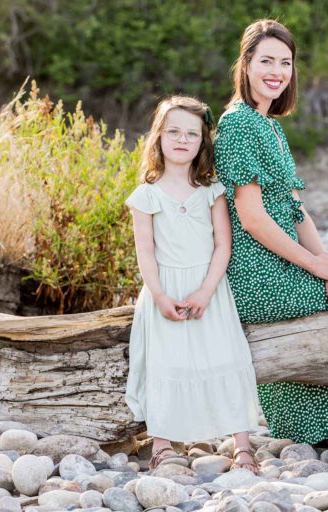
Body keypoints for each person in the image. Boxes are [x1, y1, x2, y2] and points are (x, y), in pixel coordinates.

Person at [213, 19, 328, 444]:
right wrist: (318, 267)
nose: (276, 71)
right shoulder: (237, 124)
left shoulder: (271, 126)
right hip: (257, 274)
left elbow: (296, 212)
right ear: (246, 64)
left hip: (286, 263)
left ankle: (304, 423)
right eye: (266, 61)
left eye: (286, 62)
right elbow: (253, 218)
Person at [125, 96, 259, 472]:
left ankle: (242, 443)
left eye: (192, 134)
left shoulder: (211, 191)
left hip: (209, 289)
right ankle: (163, 443)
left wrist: (205, 290)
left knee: (225, 357)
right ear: (159, 137)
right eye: (174, 132)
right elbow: (146, 253)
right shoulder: (146, 196)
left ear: (202, 142)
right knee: (164, 364)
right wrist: (159, 295)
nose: (182, 140)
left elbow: (223, 244)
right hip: (164, 287)